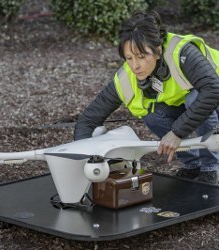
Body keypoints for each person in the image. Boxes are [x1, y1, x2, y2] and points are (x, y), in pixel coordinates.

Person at [74, 10, 219, 185]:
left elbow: (212, 90)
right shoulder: (126, 78)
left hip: (214, 95)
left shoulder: (181, 52)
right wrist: (86, 159)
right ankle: (192, 164)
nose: (135, 65)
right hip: (195, 102)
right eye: (129, 58)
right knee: (152, 114)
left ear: (158, 51)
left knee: (195, 98)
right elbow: (88, 120)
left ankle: (212, 168)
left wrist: (176, 133)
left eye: (142, 57)